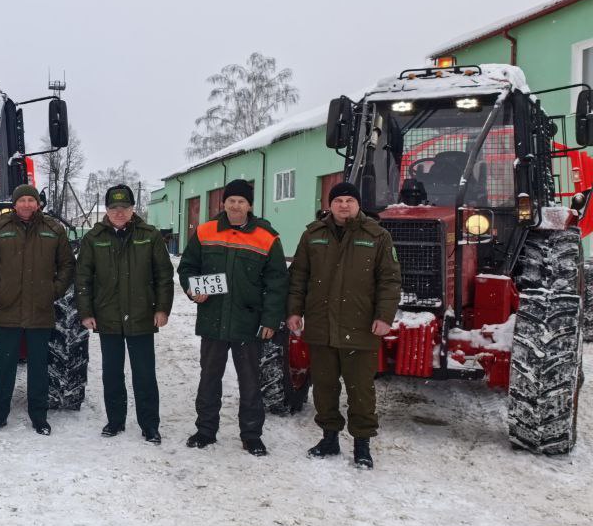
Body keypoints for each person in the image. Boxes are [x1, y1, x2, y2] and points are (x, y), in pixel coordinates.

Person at [287, 181, 401, 469]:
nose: (344, 205)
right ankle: (329, 439)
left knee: (361, 389)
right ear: (330, 204)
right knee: (324, 387)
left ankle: (362, 444)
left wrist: (384, 316)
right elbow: (298, 277)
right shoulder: (313, 235)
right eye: (338, 200)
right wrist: (294, 311)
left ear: (358, 204)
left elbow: (389, 281)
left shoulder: (377, 236)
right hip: (321, 324)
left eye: (350, 200)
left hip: (360, 326)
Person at [176, 179, 288, 457]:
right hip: (213, 320)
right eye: (231, 201)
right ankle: (205, 430)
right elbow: (187, 267)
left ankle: (251, 436)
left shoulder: (267, 237)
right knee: (209, 378)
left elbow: (277, 283)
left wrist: (271, 320)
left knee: (250, 382)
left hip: (248, 324)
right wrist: (193, 289)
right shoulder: (205, 231)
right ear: (222, 204)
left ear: (250, 205)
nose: (235, 206)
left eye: (241, 201)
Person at [75, 184, 174, 444]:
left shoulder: (149, 236)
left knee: (144, 374)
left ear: (133, 210)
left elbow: (164, 275)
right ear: (106, 211)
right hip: (108, 317)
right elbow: (83, 278)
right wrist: (86, 312)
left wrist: (162, 309)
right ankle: (115, 421)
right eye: (113, 208)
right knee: (112, 373)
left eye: (124, 208)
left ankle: (150, 425)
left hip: (142, 315)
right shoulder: (93, 238)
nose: (119, 213)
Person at [0, 184, 76, 436]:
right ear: (15, 203)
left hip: (41, 309)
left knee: (39, 367)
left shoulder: (54, 230)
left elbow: (66, 265)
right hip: (7, 308)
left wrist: (54, 290)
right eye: (22, 201)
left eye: (31, 200)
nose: (27, 205)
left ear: (38, 204)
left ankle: (39, 417)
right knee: (4, 366)